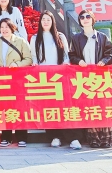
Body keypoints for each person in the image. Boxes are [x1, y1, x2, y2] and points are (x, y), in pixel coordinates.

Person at [30, 11, 78, 149]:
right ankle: (54, 136)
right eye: (43, 19)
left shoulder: (60, 36)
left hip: (59, 77)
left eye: (48, 20)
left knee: (64, 107)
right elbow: (34, 57)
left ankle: (72, 138)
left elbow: (66, 56)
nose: (46, 22)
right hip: (44, 78)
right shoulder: (35, 38)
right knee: (48, 108)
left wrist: (64, 66)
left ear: (53, 22)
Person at [69, 9, 112, 148]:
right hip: (84, 78)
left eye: (88, 16)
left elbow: (110, 55)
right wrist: (78, 61)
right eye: (82, 17)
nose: (85, 19)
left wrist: (104, 61)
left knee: (103, 106)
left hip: (101, 78)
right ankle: (93, 138)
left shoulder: (102, 37)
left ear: (93, 19)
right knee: (89, 106)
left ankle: (106, 137)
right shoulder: (76, 38)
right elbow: (71, 55)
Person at [0, 18, 33, 147]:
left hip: (18, 80)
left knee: (20, 107)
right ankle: (6, 136)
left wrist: (17, 64)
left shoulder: (20, 41)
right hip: (2, 80)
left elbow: (28, 59)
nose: (4, 29)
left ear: (12, 28)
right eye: (2, 27)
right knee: (4, 108)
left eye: (7, 27)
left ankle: (22, 136)